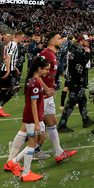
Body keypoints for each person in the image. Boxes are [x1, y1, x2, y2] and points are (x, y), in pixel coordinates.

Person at [4, 56, 49, 182]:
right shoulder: (35, 82)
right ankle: (25, 172)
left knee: (42, 138)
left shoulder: (35, 81)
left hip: (36, 116)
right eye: (46, 69)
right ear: (39, 69)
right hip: (33, 117)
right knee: (32, 142)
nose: (47, 72)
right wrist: (36, 122)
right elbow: (33, 103)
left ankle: (14, 162)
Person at [38, 32, 76, 162]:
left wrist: (52, 86)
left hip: (48, 95)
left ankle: (58, 152)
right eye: (59, 39)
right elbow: (35, 74)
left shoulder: (53, 54)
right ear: (52, 42)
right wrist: (46, 88)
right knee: (31, 128)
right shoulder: (46, 54)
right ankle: (14, 158)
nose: (62, 40)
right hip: (41, 96)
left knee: (52, 123)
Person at [57, 36, 94, 132]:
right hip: (75, 83)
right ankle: (62, 125)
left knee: (83, 101)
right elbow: (82, 63)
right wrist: (88, 53)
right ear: (81, 41)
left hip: (79, 82)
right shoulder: (75, 53)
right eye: (87, 41)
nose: (88, 43)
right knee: (71, 104)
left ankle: (85, 120)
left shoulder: (78, 52)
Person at [0, 31, 24, 117]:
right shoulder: (13, 44)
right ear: (18, 36)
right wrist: (8, 70)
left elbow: (9, 58)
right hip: (8, 69)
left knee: (4, 89)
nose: (22, 39)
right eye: (22, 37)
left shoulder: (11, 44)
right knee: (15, 88)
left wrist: (14, 67)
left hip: (8, 68)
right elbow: (8, 57)